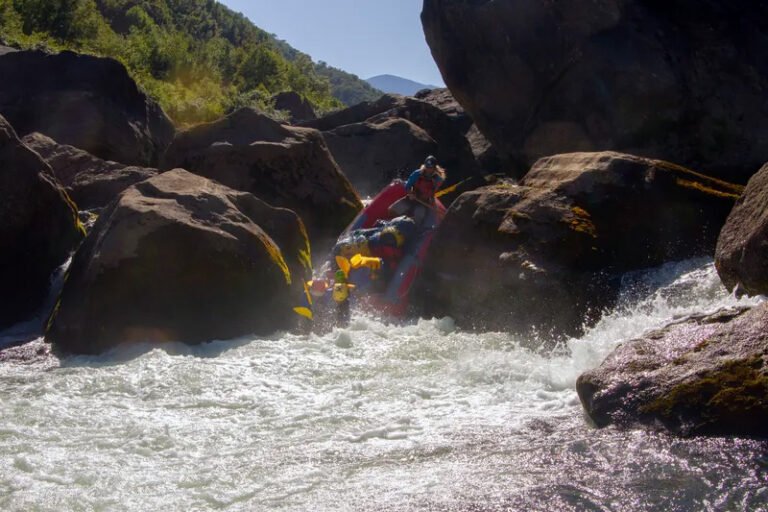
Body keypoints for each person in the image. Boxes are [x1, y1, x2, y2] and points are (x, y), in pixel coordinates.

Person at [388, 155, 446, 226]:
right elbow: (408, 186)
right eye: (427, 167)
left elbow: (432, 192)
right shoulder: (417, 173)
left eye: (430, 168)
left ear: (434, 168)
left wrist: (432, 203)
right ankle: (396, 222)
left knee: (417, 220)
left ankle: (411, 226)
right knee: (392, 210)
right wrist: (410, 193)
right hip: (412, 198)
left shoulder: (438, 179)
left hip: (424, 202)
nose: (428, 169)